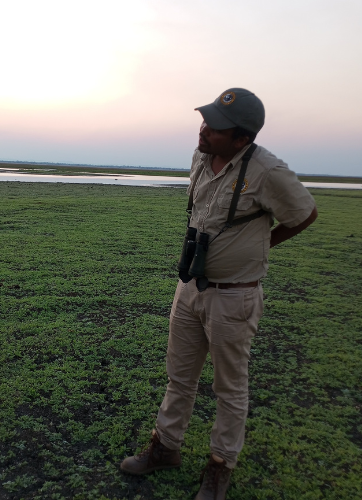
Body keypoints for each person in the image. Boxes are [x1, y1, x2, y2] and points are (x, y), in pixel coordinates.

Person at [120, 88, 318, 500]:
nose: (204, 129)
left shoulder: (267, 171)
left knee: (229, 388)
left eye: (216, 127)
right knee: (179, 376)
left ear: (242, 138)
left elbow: (304, 214)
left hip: (234, 297)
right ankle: (166, 448)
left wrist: (259, 247)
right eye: (206, 120)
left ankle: (220, 465)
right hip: (190, 287)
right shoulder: (199, 156)